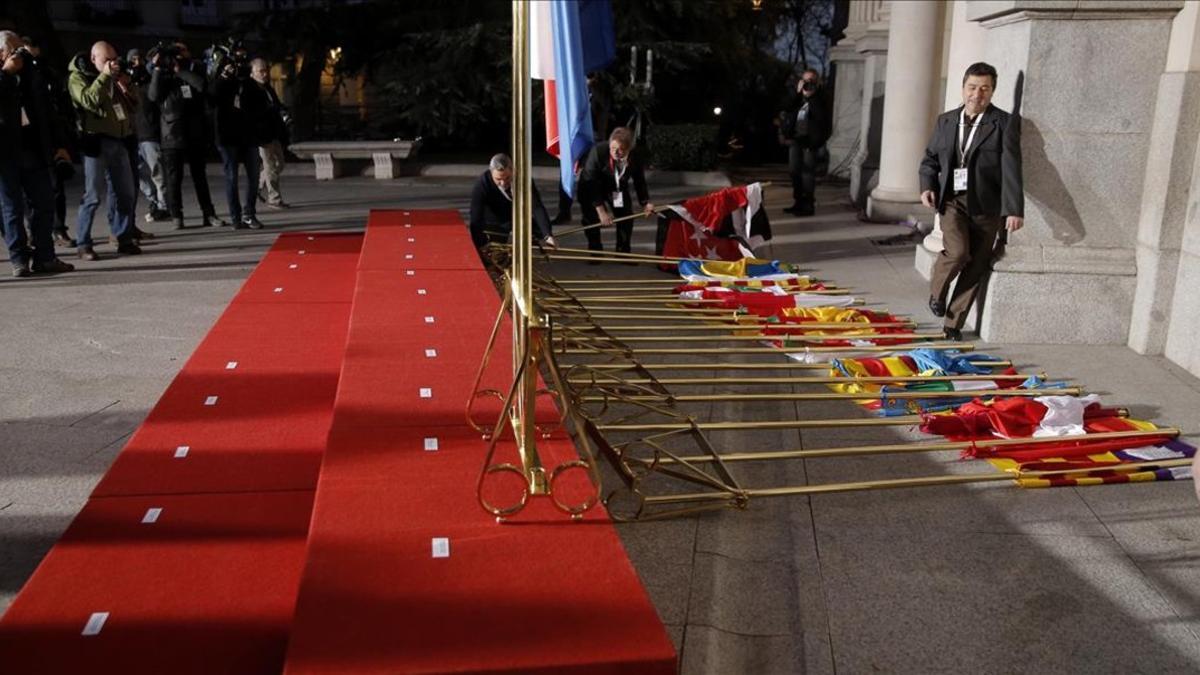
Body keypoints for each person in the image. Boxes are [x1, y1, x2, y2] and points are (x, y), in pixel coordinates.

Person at [919, 62, 1024, 341]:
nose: (977, 94)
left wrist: (1013, 209)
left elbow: (1012, 167)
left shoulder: (1003, 123)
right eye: (972, 87)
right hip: (953, 200)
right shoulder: (946, 120)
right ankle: (937, 292)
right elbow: (930, 159)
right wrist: (927, 185)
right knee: (957, 251)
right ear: (963, 88)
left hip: (987, 206)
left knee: (976, 265)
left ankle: (952, 325)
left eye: (984, 89)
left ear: (992, 92)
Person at [0, 31, 75, 276]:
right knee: (11, 209)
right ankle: (19, 260)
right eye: (13, 49)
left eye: (20, 49)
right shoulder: (5, 75)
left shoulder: (33, 74)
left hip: (34, 149)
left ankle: (45, 257)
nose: (18, 54)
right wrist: (6, 74)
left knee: (44, 204)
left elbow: (49, 112)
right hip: (5, 154)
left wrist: (60, 144)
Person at [68, 41, 139, 259]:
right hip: (95, 143)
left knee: (126, 193)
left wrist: (126, 86)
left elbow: (135, 106)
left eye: (114, 59)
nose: (111, 63)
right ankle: (83, 243)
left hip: (119, 141)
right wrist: (105, 76)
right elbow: (88, 100)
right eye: (106, 59)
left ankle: (123, 237)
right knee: (93, 196)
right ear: (93, 58)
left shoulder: (115, 76)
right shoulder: (78, 77)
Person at [148, 42, 222, 229]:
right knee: (174, 179)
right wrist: (158, 67)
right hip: (171, 134)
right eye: (175, 52)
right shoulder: (161, 73)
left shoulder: (194, 68)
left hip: (194, 131)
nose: (179, 54)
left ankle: (209, 214)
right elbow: (153, 95)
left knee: (200, 177)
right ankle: (177, 216)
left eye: (182, 50)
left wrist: (179, 70)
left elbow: (202, 85)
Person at [20, 35, 76, 248]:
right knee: (28, 193)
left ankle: (59, 229)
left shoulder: (46, 74)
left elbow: (57, 109)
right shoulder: (13, 79)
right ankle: (34, 231)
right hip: (24, 143)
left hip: (48, 138)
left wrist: (62, 142)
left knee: (55, 187)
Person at [211, 44, 269, 229]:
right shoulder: (221, 80)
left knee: (253, 176)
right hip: (227, 136)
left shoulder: (248, 82)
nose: (238, 64)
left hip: (248, 135)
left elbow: (261, 103)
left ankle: (249, 214)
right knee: (231, 177)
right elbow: (211, 95)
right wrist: (225, 75)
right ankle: (236, 218)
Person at [577, 126, 653, 255]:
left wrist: (645, 202)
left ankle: (623, 251)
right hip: (591, 186)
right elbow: (591, 183)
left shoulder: (635, 156)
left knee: (626, 216)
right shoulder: (598, 151)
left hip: (616, 186)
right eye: (613, 148)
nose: (615, 152)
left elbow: (639, 180)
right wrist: (601, 211)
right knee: (591, 217)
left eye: (620, 150)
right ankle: (595, 250)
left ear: (629, 149)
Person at [469, 153, 555, 253]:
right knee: (496, 252)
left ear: (513, 170)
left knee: (541, 230)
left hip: (517, 216)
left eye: (507, 178)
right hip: (495, 221)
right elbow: (475, 218)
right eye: (498, 179)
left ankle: (528, 244)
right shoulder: (482, 184)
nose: (503, 183)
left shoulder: (523, 179)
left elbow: (536, 207)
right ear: (491, 173)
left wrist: (547, 235)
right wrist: (480, 244)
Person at [780, 68, 829, 217]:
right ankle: (798, 202)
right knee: (794, 171)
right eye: (806, 80)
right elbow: (786, 107)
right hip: (796, 139)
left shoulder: (821, 96)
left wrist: (811, 97)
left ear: (817, 81)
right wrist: (798, 92)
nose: (809, 83)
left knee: (807, 174)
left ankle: (808, 205)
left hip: (810, 141)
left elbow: (822, 118)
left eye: (812, 80)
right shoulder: (797, 95)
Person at [130, 47, 168, 223]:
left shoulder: (149, 82)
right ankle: (152, 199)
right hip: (132, 135)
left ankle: (163, 205)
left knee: (157, 172)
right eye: (133, 60)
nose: (136, 63)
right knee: (136, 174)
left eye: (139, 59)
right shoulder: (126, 83)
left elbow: (154, 96)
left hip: (149, 133)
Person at [250, 58, 290, 209]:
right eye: (261, 71)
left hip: (273, 131)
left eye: (266, 70)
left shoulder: (267, 87)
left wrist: (282, 110)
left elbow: (276, 104)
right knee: (270, 166)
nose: (265, 73)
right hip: (261, 134)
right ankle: (274, 199)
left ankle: (257, 187)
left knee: (280, 163)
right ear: (252, 73)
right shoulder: (251, 89)